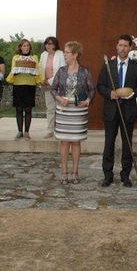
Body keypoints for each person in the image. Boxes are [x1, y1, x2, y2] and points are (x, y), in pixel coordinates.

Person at [97, 34, 137, 187]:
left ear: (130, 48)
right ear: (116, 46)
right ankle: (108, 175)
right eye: (120, 45)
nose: (123, 48)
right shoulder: (108, 65)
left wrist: (132, 93)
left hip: (128, 110)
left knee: (127, 144)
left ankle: (126, 175)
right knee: (109, 143)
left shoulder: (136, 66)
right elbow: (100, 86)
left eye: (126, 46)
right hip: (111, 111)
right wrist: (109, 93)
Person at [51, 41, 95, 185]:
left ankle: (75, 172)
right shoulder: (61, 71)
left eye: (67, 53)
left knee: (76, 142)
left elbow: (92, 90)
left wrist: (88, 101)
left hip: (78, 111)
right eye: (64, 52)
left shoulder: (85, 71)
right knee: (64, 142)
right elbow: (53, 88)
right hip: (64, 110)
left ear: (75, 54)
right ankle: (64, 172)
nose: (64, 55)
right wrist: (58, 98)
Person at [6, 39, 42, 139]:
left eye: (28, 46)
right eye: (24, 46)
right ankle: (19, 131)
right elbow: (14, 70)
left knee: (28, 109)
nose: (26, 47)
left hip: (30, 85)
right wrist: (19, 69)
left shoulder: (34, 57)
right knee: (18, 109)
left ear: (30, 47)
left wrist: (32, 71)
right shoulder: (16, 57)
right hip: (18, 85)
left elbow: (36, 70)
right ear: (20, 47)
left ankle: (27, 131)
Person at [39, 36, 64, 139]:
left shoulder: (60, 54)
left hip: (58, 86)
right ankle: (50, 130)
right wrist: (43, 80)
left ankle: (60, 129)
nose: (47, 45)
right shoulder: (43, 55)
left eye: (50, 43)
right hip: (47, 85)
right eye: (46, 43)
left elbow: (62, 70)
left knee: (60, 108)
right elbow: (40, 69)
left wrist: (50, 80)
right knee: (50, 108)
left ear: (55, 45)